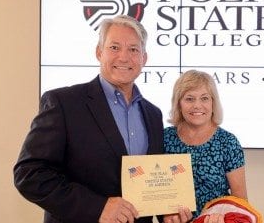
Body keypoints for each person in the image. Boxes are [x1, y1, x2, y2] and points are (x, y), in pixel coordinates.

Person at [13, 15, 191, 223]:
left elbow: (148, 184)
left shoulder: (153, 114)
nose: (124, 57)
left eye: (133, 49)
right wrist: (98, 208)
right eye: (114, 47)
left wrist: (166, 213)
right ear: (99, 52)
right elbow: (30, 174)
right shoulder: (64, 103)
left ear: (144, 58)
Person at [163, 70, 248, 221]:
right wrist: (165, 215)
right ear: (178, 103)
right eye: (189, 99)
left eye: (204, 98)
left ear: (213, 103)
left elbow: (241, 204)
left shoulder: (227, 142)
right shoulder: (164, 138)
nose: (197, 105)